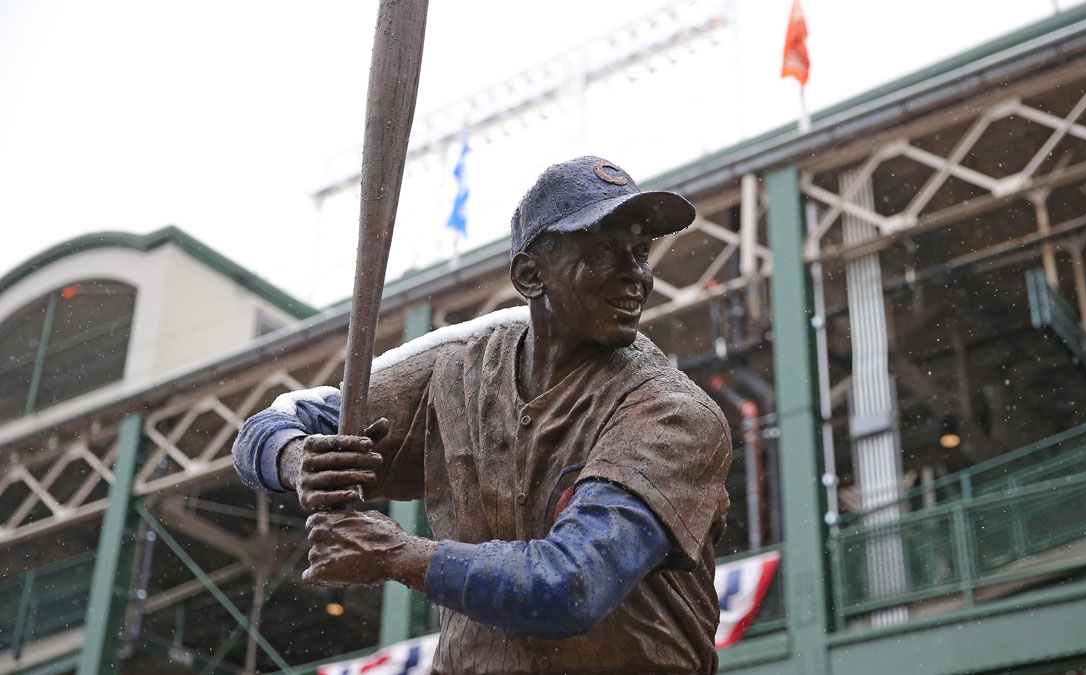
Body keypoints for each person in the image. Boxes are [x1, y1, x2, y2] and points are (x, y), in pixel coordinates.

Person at [233, 156, 732, 674]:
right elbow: (264, 430)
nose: (636, 275)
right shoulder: (456, 370)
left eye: (639, 252)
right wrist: (297, 459)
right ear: (530, 274)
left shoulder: (672, 414)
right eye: (605, 251)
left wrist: (396, 554)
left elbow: (572, 585)